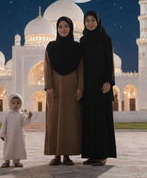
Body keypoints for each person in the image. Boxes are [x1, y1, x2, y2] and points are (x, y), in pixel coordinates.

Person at [44, 16, 83, 165]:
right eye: (60, 26)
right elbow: (47, 67)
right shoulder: (51, 47)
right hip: (55, 90)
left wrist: (80, 87)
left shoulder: (77, 48)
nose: (63, 29)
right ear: (56, 29)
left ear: (71, 28)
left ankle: (67, 155)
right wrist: (48, 86)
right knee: (54, 121)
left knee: (70, 122)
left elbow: (81, 69)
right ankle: (56, 155)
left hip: (72, 89)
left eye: (66, 26)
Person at [80, 11, 117, 166]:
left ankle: (102, 155)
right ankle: (91, 155)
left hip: (101, 85)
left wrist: (108, 81)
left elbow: (109, 62)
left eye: (93, 20)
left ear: (98, 21)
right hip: (88, 86)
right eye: (87, 20)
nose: (90, 23)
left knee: (101, 121)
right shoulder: (83, 40)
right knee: (89, 121)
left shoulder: (105, 39)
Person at [0, 93, 32, 168]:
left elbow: (24, 123)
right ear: (10, 104)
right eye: (13, 103)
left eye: (18, 103)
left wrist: (28, 117)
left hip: (18, 136)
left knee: (18, 147)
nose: (15, 105)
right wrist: (2, 134)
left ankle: (17, 161)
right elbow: (4, 125)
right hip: (9, 136)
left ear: (21, 104)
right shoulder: (8, 115)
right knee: (8, 147)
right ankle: (6, 161)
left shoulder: (21, 115)